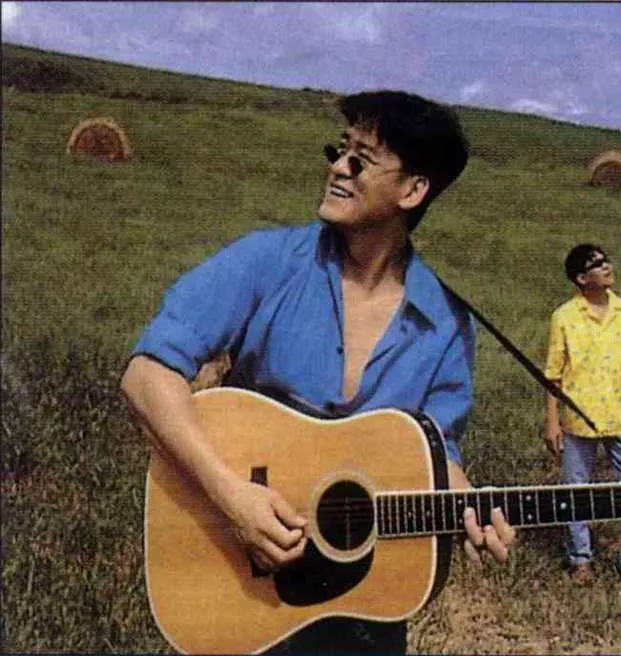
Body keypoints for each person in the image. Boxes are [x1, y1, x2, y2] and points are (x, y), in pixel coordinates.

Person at [119, 90, 515, 654]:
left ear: (413, 190)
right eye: (339, 151)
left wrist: (467, 502)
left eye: (361, 160)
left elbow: (436, 450)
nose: (338, 168)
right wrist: (233, 498)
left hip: (361, 604)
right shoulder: (267, 261)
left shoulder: (447, 322)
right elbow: (146, 375)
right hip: (238, 588)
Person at [543, 244, 621, 584]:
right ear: (582, 278)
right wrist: (552, 421)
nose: (607, 266)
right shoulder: (564, 317)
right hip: (579, 419)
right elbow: (552, 375)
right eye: (597, 264)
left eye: (606, 259)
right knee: (575, 490)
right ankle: (580, 558)